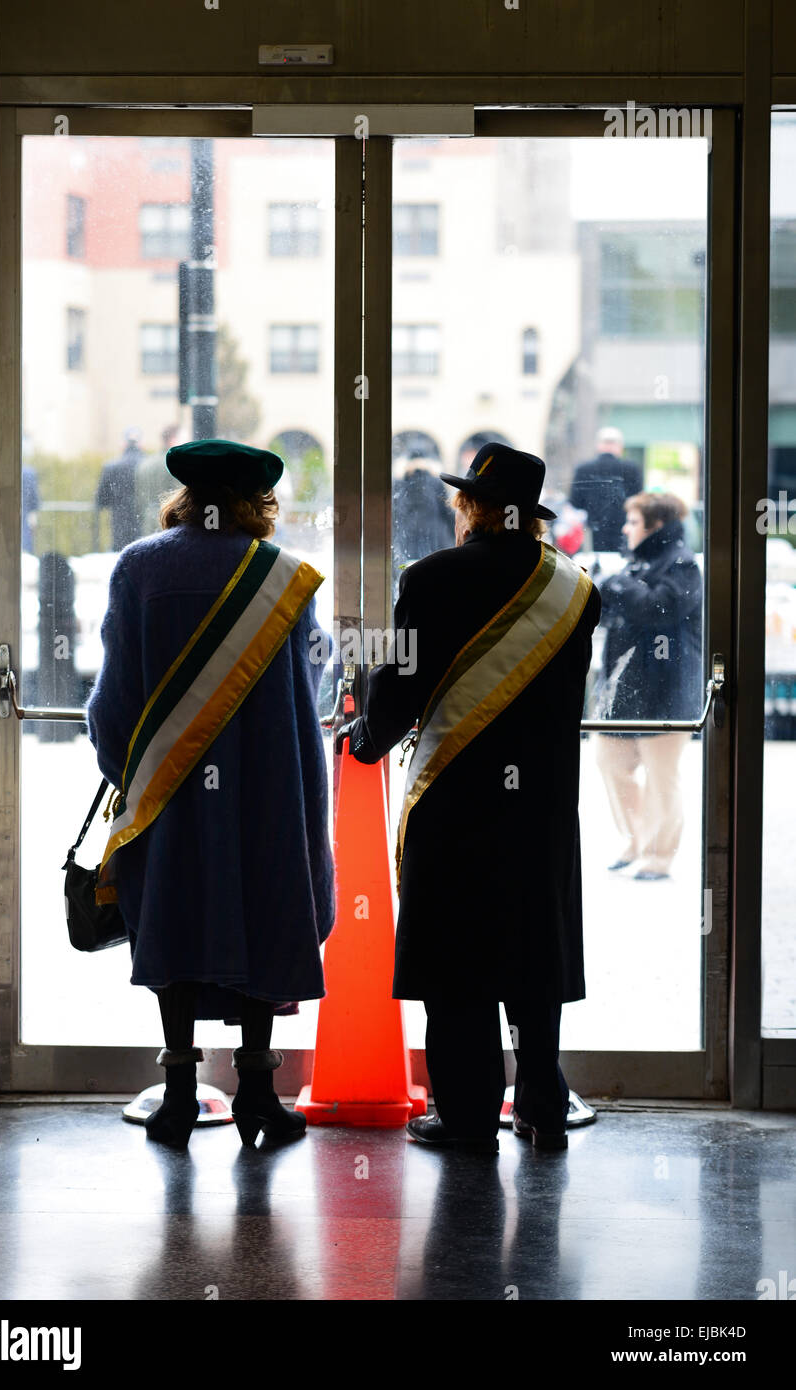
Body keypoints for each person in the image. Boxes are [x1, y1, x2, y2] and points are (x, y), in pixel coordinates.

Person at [337, 442, 601, 1152]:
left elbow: (396, 696)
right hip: (542, 803)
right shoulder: (578, 590)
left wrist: (363, 739)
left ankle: (468, 1113)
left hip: (456, 800)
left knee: (458, 962)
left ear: (471, 507)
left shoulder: (431, 579)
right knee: (533, 950)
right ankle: (542, 1103)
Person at [86, 439, 335, 1150]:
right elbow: (307, 693)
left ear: (186, 497)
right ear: (258, 503)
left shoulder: (140, 568)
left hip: (171, 794)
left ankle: (179, 1096)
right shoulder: (286, 577)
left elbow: (115, 696)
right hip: (267, 791)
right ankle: (258, 1091)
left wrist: (126, 772)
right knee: (263, 913)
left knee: (174, 918)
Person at [594, 491, 703, 881]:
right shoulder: (634, 564)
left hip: (668, 692)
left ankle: (659, 855)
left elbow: (660, 609)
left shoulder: (683, 564)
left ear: (655, 525)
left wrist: (617, 585)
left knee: (661, 778)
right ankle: (637, 839)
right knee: (609, 761)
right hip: (625, 690)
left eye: (633, 521)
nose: (625, 529)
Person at [569, 426, 644, 553]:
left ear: (598, 445)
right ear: (620, 446)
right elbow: (637, 499)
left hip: (594, 530)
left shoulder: (583, 469)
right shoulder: (632, 469)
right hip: (623, 529)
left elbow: (575, 502)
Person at [391, 449, 455, 595]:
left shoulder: (399, 483)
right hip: (435, 542)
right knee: (434, 583)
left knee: (407, 582)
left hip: (407, 542)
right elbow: (448, 513)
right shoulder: (435, 483)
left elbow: (394, 513)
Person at [94, 427, 144, 551]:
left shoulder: (111, 467)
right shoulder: (147, 464)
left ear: (123, 444)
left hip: (120, 521)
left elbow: (100, 500)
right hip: (144, 521)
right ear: (140, 443)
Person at [136, 423, 180, 536]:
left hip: (148, 519)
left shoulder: (145, 463)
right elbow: (180, 496)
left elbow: (140, 497)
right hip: (168, 520)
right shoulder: (176, 463)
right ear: (173, 440)